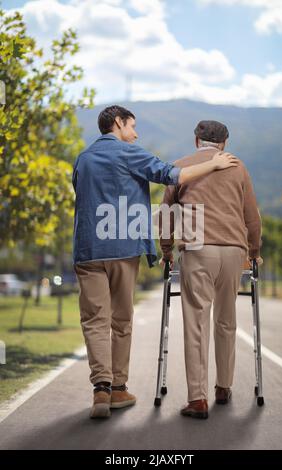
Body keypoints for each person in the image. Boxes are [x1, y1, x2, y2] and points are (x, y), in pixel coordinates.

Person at [72, 106, 238, 419]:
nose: (135, 134)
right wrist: (213, 164)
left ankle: (101, 391)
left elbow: (82, 195)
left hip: (88, 248)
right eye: (132, 126)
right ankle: (119, 387)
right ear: (118, 123)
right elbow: (172, 175)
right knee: (121, 319)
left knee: (94, 319)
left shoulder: (82, 158)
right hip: (123, 246)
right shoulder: (130, 153)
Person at [159, 120, 262, 419]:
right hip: (233, 251)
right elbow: (251, 216)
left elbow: (166, 214)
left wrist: (166, 251)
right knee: (226, 321)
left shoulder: (180, 167)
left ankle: (197, 399)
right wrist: (253, 252)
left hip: (197, 250)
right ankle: (223, 387)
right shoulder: (237, 167)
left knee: (196, 324)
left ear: (196, 140)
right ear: (224, 143)